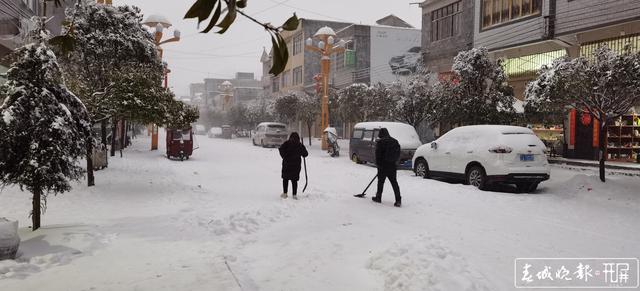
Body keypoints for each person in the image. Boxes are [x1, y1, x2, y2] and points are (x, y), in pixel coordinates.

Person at [372, 128, 402, 207]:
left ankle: (378, 197)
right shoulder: (395, 141)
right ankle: (398, 200)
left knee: (381, 182)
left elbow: (378, 155)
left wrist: (378, 165)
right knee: (394, 183)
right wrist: (395, 162)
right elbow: (398, 153)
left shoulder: (381, 142)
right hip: (392, 166)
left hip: (383, 166)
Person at [278, 132, 308, 200]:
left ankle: (285, 193)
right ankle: (294, 194)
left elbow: (280, 149)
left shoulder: (287, 143)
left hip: (287, 164)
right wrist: (302, 150)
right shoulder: (299, 145)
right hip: (296, 166)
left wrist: (284, 157)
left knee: (285, 179)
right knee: (294, 180)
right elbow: (305, 154)